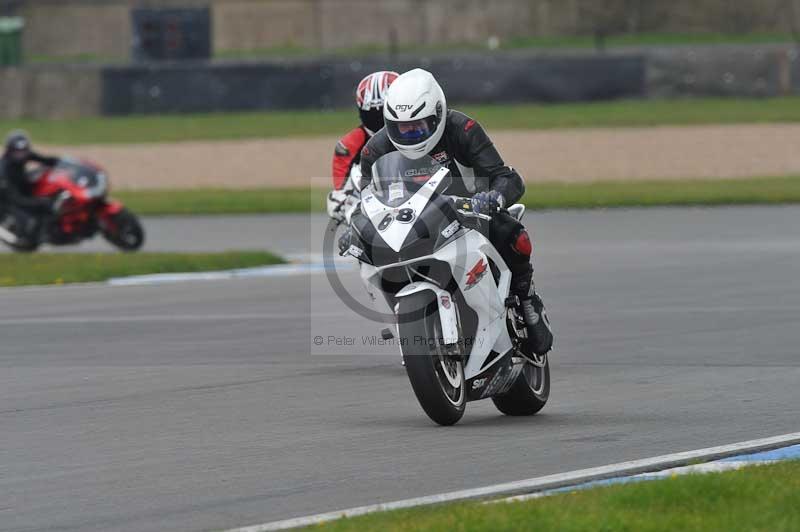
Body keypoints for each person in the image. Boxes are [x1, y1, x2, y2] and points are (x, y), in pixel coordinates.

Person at [353, 68, 554, 356]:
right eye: (401, 128)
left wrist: (494, 197)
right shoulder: (375, 150)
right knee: (367, 256)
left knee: (509, 231)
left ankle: (526, 297)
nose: (409, 135)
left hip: (468, 213)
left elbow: (507, 177)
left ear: (437, 115)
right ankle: (404, 321)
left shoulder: (463, 130)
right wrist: (355, 226)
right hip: (413, 224)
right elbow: (367, 198)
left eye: (418, 127)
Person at [327, 70, 399, 221]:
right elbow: (341, 191)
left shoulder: (421, 130)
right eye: (372, 114)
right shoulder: (348, 145)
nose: (379, 120)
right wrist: (347, 206)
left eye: (384, 112)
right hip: (375, 209)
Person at [0, 131, 64, 238]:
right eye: (17, 152)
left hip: (22, 186)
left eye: (23, 151)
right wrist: (39, 202)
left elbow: (46, 160)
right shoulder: (4, 170)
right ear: (10, 151)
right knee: (28, 224)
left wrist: (64, 162)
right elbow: (16, 199)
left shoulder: (24, 155)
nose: (21, 154)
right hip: (9, 199)